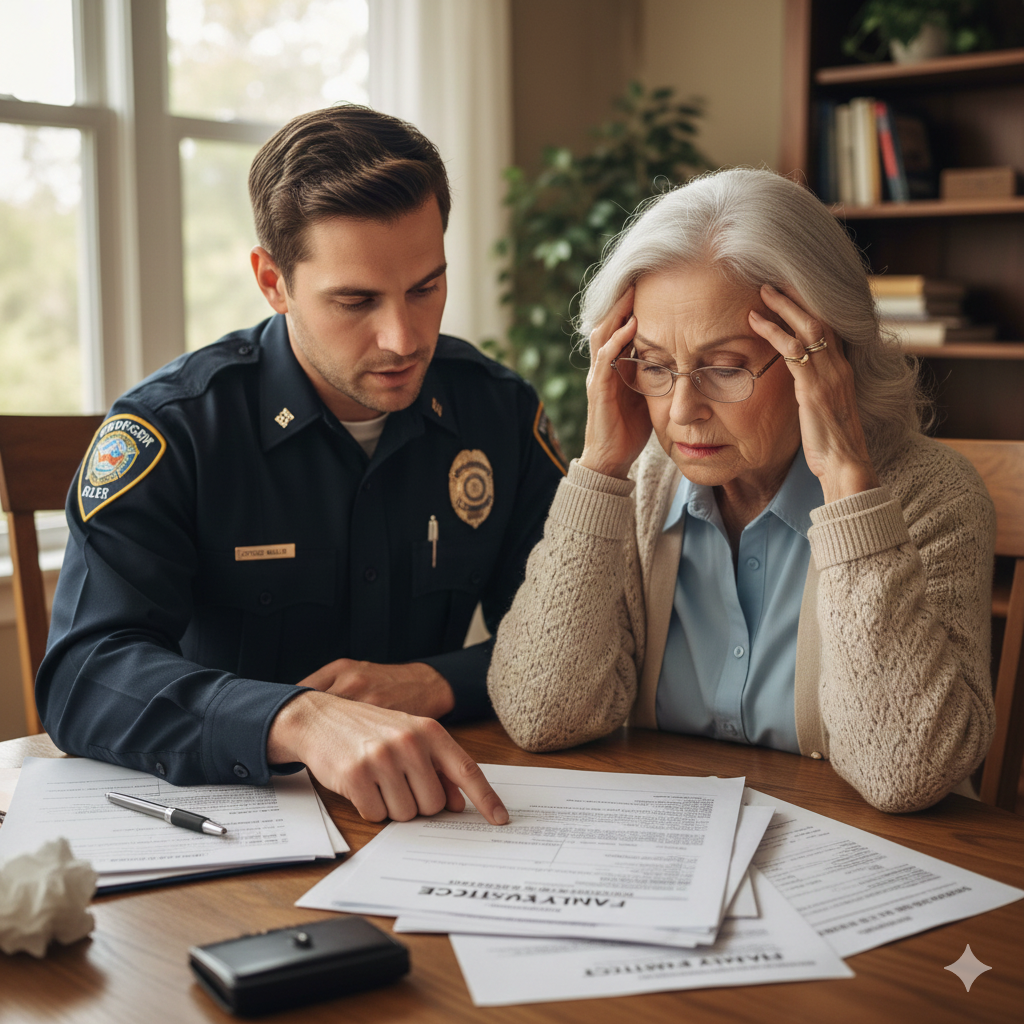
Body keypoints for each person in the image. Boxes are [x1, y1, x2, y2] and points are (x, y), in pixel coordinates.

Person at [38, 105, 567, 826]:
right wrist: (296, 718)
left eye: (427, 287)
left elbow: (564, 641)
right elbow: (83, 676)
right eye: (356, 300)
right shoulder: (175, 430)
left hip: (442, 813)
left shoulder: (497, 414)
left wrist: (433, 684)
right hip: (238, 827)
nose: (404, 336)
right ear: (272, 281)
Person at [487, 167, 996, 814]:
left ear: (821, 353)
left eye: (724, 368)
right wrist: (600, 471)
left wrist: (846, 487)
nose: (681, 411)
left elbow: (905, 773)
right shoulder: (641, 487)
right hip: (665, 857)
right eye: (654, 365)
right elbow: (539, 715)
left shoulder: (932, 496)